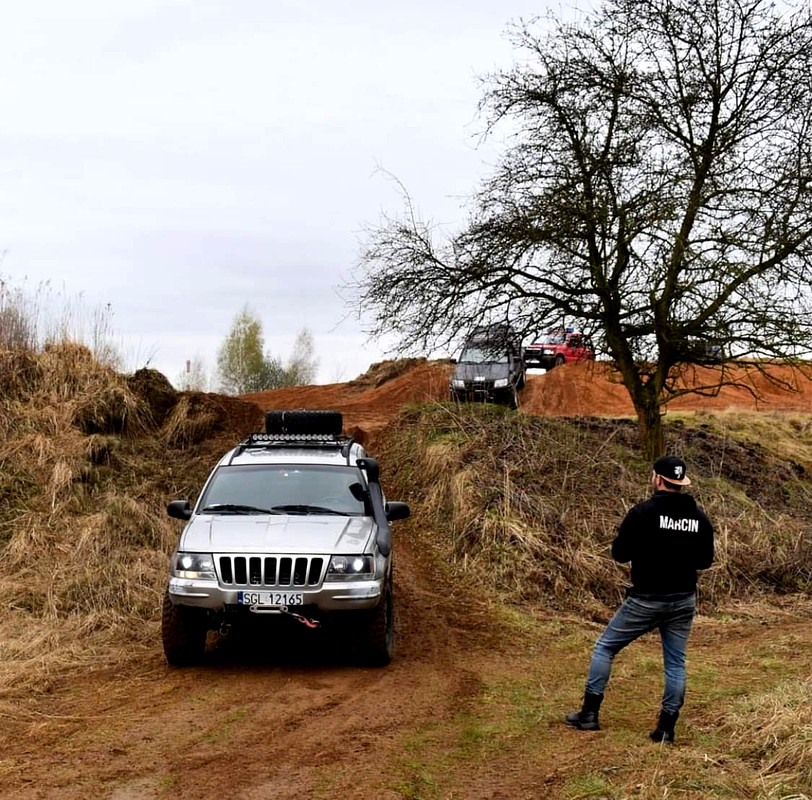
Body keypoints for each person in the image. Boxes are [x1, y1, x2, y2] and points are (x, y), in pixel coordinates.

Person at [565, 456, 714, 743]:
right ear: (681, 483)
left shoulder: (642, 513)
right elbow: (705, 561)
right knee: (675, 663)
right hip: (683, 600)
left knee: (605, 647)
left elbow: (620, 554)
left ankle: (589, 714)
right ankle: (666, 728)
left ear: (658, 478)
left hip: (646, 599)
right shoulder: (699, 516)